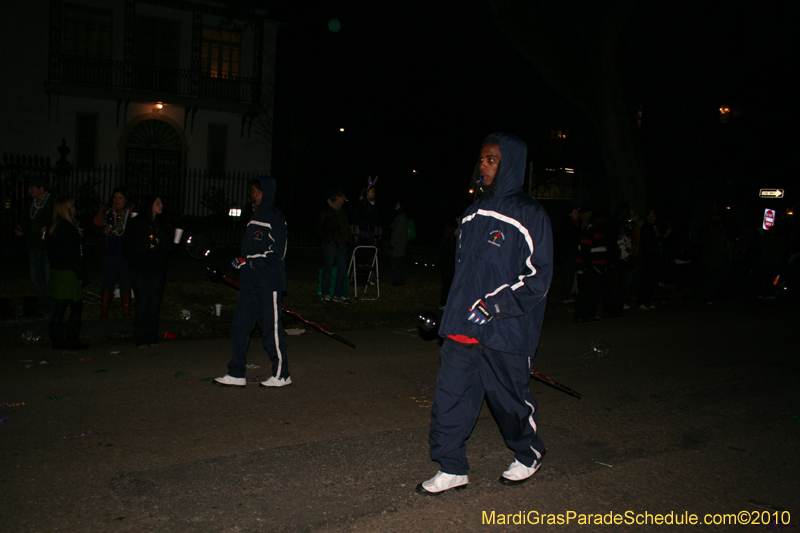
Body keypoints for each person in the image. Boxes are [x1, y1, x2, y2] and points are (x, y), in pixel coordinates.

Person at [418, 133, 553, 495]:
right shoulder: (472, 212)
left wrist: (494, 305)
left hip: (505, 332)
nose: (483, 165)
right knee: (450, 399)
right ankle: (451, 466)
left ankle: (528, 452)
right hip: (464, 329)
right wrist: (453, 312)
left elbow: (537, 279)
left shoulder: (530, 214)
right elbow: (465, 273)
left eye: (491, 160)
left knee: (508, 403)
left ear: (508, 163)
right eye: (481, 159)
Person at [214, 177, 291, 388]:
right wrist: (243, 264)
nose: (254, 195)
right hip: (249, 284)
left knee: (270, 330)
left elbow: (277, 254)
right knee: (239, 326)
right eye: (253, 191)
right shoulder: (254, 217)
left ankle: (282, 375)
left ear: (267, 192)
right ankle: (236, 373)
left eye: (258, 191)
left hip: (268, 284)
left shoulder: (276, 218)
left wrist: (248, 261)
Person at [122, 195, 172, 349]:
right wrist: (135, 262)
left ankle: (152, 337)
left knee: (154, 303)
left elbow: (167, 246)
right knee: (143, 302)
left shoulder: (162, 225)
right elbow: (127, 245)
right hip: (140, 270)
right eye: (158, 203)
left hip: (157, 269)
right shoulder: (136, 223)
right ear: (150, 205)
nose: (161, 205)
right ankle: (140, 339)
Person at [45, 197, 90, 350]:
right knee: (76, 307)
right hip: (69, 273)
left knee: (60, 306)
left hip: (57, 271)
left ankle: (57, 340)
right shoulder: (69, 230)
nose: (75, 209)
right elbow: (74, 256)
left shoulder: (53, 228)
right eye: (72, 206)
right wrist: (82, 276)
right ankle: (72, 340)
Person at [14, 178, 55, 319]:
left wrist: (50, 227)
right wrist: (21, 229)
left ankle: (53, 309)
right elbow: (27, 219)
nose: (30, 191)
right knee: (37, 279)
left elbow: (60, 220)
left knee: (48, 278)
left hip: (47, 247)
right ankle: (45, 309)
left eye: (32, 188)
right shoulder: (33, 205)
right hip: (34, 246)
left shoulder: (52, 203)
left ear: (41, 189)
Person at [93, 187, 134, 319]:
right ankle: (104, 312)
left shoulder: (131, 214)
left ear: (126, 199)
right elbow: (94, 228)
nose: (117, 201)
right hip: (108, 253)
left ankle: (126, 313)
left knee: (125, 283)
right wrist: (102, 231)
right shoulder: (106, 212)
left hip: (123, 255)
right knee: (107, 282)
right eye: (115, 198)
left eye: (120, 198)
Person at [318, 187, 351, 304]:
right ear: (337, 197)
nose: (344, 199)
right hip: (330, 244)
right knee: (328, 267)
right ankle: (325, 293)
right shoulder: (327, 211)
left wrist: (346, 237)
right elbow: (321, 228)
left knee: (342, 268)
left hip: (340, 244)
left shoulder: (340, 210)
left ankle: (338, 294)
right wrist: (330, 238)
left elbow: (344, 226)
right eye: (343, 197)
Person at [390, 199, 409, 286]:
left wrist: (393, 243)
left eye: (398, 204)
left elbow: (397, 232)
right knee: (398, 262)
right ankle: (398, 280)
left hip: (398, 244)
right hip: (399, 244)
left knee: (397, 262)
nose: (396, 205)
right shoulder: (400, 216)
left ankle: (399, 281)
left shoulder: (401, 217)